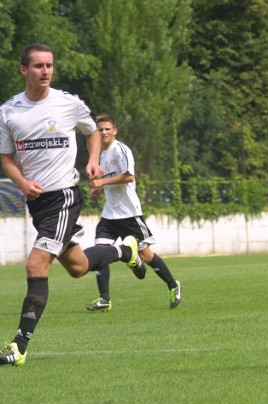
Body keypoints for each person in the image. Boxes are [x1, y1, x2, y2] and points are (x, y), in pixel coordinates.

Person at [0, 44, 145, 367]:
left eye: (49, 65)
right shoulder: (9, 111)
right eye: (38, 66)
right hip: (37, 203)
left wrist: (93, 160)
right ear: (24, 70)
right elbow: (6, 158)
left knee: (35, 266)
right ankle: (126, 251)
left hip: (65, 196)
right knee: (78, 267)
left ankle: (19, 346)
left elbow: (92, 131)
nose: (45, 71)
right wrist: (22, 183)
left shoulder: (67, 103)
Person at [86, 114, 182, 312]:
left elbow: (129, 177)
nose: (103, 132)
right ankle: (104, 299)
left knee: (146, 256)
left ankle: (173, 285)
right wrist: (99, 190)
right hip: (109, 215)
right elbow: (112, 182)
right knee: (100, 252)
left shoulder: (121, 150)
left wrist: (102, 182)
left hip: (129, 214)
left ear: (115, 131)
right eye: (100, 129)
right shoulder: (101, 155)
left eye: (107, 129)